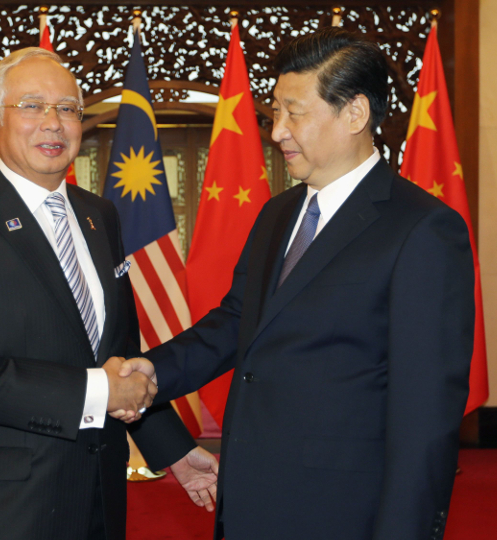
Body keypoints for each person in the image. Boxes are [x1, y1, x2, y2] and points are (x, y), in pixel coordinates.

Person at [118, 27, 475, 540]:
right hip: (247, 501)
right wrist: (152, 371)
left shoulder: (421, 229)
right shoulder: (277, 213)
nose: (277, 131)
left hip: (342, 513)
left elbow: (424, 420)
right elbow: (237, 324)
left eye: (294, 112)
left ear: (354, 114)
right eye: (275, 112)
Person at [0, 47, 217, 540]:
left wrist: (171, 447)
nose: (53, 123)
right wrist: (99, 390)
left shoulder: (100, 215)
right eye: (31, 106)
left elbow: (116, 353)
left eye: (68, 108)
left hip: (95, 493)